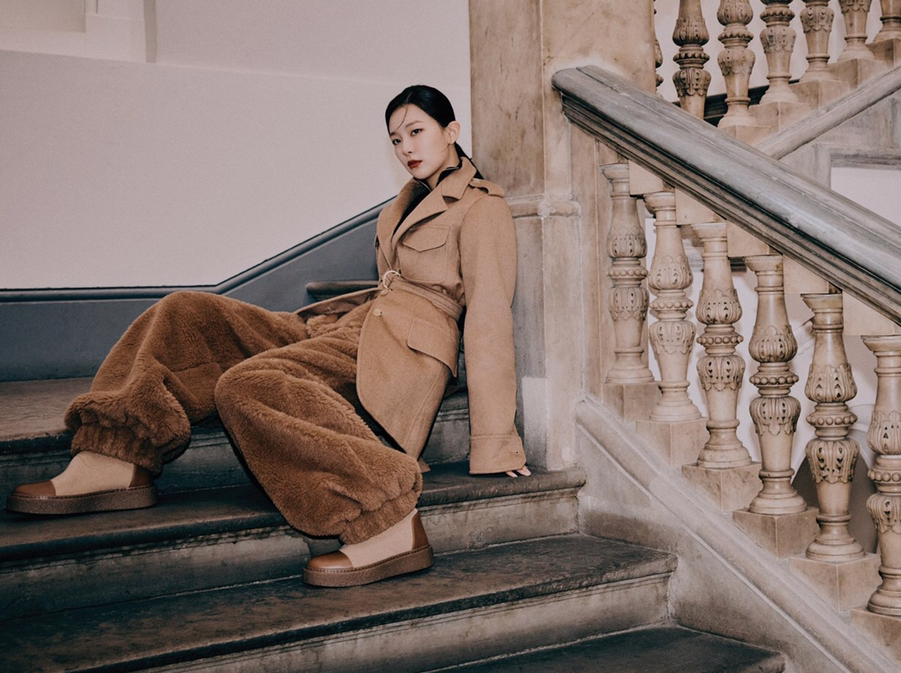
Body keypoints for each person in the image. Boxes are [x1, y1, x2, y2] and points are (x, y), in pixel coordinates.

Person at [6, 85, 529, 588]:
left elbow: (488, 321)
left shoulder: (481, 207)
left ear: (451, 131)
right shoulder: (402, 203)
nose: (406, 147)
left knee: (247, 385)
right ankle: (115, 453)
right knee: (185, 311)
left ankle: (387, 524)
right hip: (351, 324)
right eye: (396, 139)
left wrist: (496, 444)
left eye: (416, 131)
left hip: (403, 351)